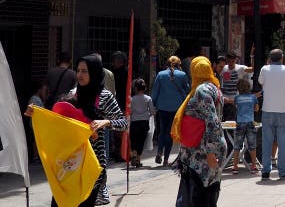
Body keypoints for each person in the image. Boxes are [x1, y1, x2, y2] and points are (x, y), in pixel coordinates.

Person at [27, 55, 128, 207]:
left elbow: (123, 123)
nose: (80, 75)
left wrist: (105, 122)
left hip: (91, 165)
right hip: (69, 162)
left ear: (94, 72)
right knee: (60, 202)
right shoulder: (73, 93)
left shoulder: (105, 96)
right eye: (78, 70)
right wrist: (36, 113)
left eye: (85, 71)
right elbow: (58, 118)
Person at [172, 57, 225, 207]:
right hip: (202, 148)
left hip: (202, 151)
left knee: (201, 194)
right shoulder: (213, 87)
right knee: (206, 192)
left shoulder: (202, 90)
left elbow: (212, 121)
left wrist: (210, 152)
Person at [258, 49, 285, 180]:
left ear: (270, 58)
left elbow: (261, 82)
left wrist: (267, 64)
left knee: (267, 141)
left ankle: (265, 170)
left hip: (267, 110)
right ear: (282, 58)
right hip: (283, 110)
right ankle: (283, 171)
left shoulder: (264, 69)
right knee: (283, 142)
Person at [151, 56, 190, 166]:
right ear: (179, 64)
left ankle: (159, 151)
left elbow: (155, 92)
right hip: (176, 108)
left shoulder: (160, 74)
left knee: (162, 131)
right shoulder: (182, 75)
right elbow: (187, 91)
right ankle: (166, 159)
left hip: (162, 107)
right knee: (170, 132)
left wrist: (152, 105)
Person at [232, 78, 259, 175]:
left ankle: (235, 166)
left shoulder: (237, 98)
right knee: (252, 145)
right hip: (250, 122)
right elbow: (256, 109)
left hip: (240, 122)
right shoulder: (253, 97)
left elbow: (236, 108)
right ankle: (253, 166)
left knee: (237, 146)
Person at [221, 51, 254, 121]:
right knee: (225, 122)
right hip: (224, 100)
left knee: (235, 121)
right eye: (229, 61)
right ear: (226, 60)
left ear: (236, 60)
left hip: (235, 101)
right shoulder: (224, 68)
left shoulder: (241, 68)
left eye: (233, 61)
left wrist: (252, 57)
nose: (230, 63)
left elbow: (252, 69)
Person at [129, 78, 155, 169]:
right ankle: (138, 159)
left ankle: (134, 154)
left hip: (134, 122)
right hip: (144, 123)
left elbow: (130, 111)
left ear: (135, 88)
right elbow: (152, 111)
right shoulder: (148, 98)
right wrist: (148, 115)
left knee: (134, 140)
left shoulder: (131, 99)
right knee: (141, 141)